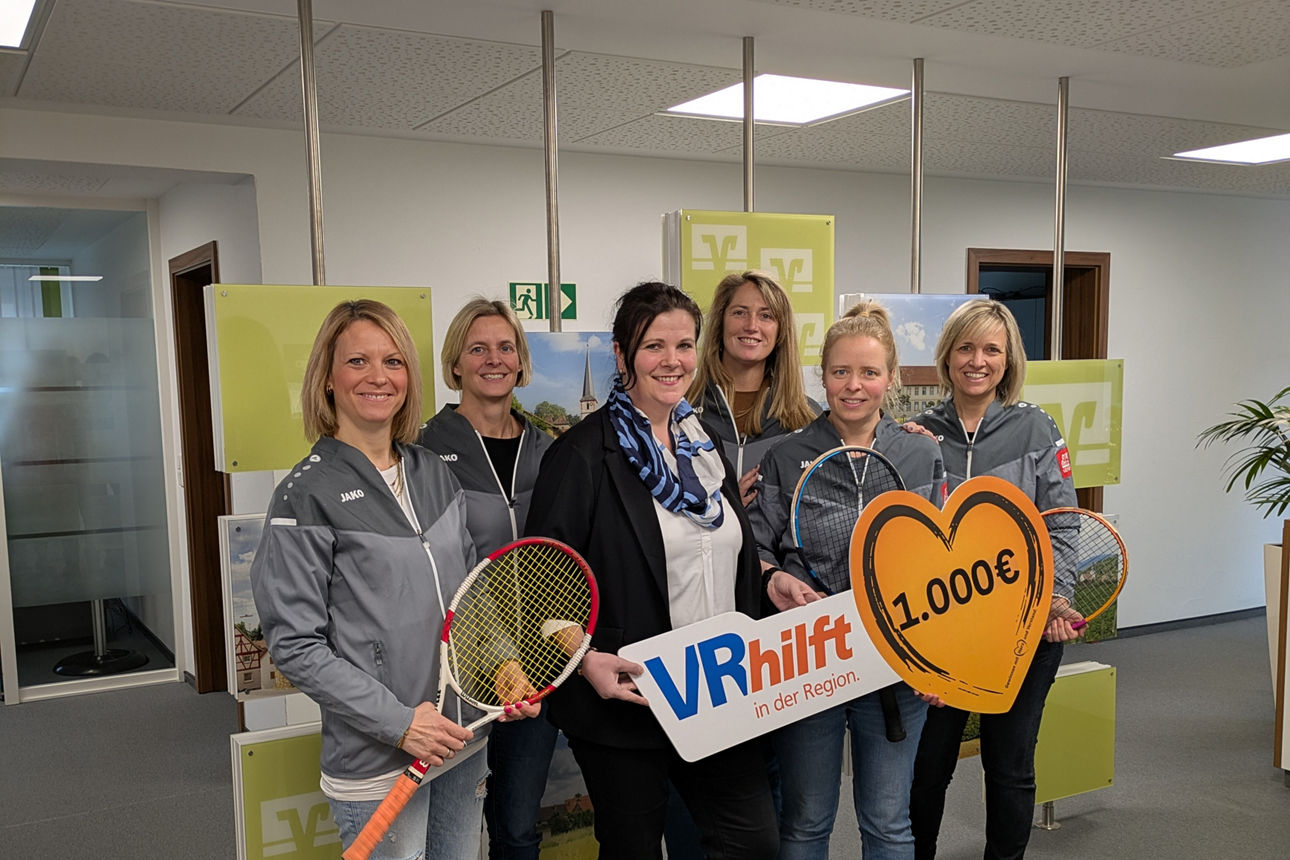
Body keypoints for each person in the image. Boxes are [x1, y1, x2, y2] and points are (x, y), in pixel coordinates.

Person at [524, 281, 818, 860]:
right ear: (621, 354)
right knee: (634, 849)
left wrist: (765, 579)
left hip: (715, 687)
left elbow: (723, 551)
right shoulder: (582, 455)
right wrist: (583, 661)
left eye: (684, 345)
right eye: (654, 346)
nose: (672, 360)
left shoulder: (701, 445)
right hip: (628, 694)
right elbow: (538, 587)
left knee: (752, 843)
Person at [250, 299, 537, 860]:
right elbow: (294, 645)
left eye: (393, 362)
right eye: (358, 362)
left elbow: (471, 595)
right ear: (327, 379)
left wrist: (504, 666)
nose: (379, 377)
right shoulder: (303, 494)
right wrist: (401, 724)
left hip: (461, 736)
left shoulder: (432, 471)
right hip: (382, 756)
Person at [748, 299, 945, 859]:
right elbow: (760, 548)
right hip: (811, 655)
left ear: (890, 379)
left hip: (895, 659)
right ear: (823, 376)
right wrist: (771, 578)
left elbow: (939, 564)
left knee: (887, 823)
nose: (853, 385)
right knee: (806, 820)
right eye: (840, 372)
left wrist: (935, 656)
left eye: (868, 372)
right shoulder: (786, 456)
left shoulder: (919, 453)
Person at [907, 298, 1084, 860]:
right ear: (947, 356)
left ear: (1008, 361)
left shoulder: (1036, 427)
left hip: (1021, 634)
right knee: (927, 768)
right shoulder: (917, 433)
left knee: (1009, 767)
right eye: (965, 347)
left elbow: (1061, 524)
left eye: (991, 349)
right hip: (943, 633)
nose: (977, 360)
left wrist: (1058, 599)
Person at [417, 298, 554, 860]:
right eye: (478, 349)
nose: (493, 360)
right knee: (448, 830)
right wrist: (491, 654)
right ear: (455, 365)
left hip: (539, 671)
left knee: (518, 827)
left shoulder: (549, 447)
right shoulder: (423, 450)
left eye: (506, 348)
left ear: (521, 363)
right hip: (458, 671)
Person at [688, 270, 819, 507]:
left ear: (780, 332)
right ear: (720, 323)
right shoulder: (682, 409)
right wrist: (724, 505)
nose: (751, 326)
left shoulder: (808, 417)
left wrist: (897, 433)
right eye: (739, 313)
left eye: (766, 316)